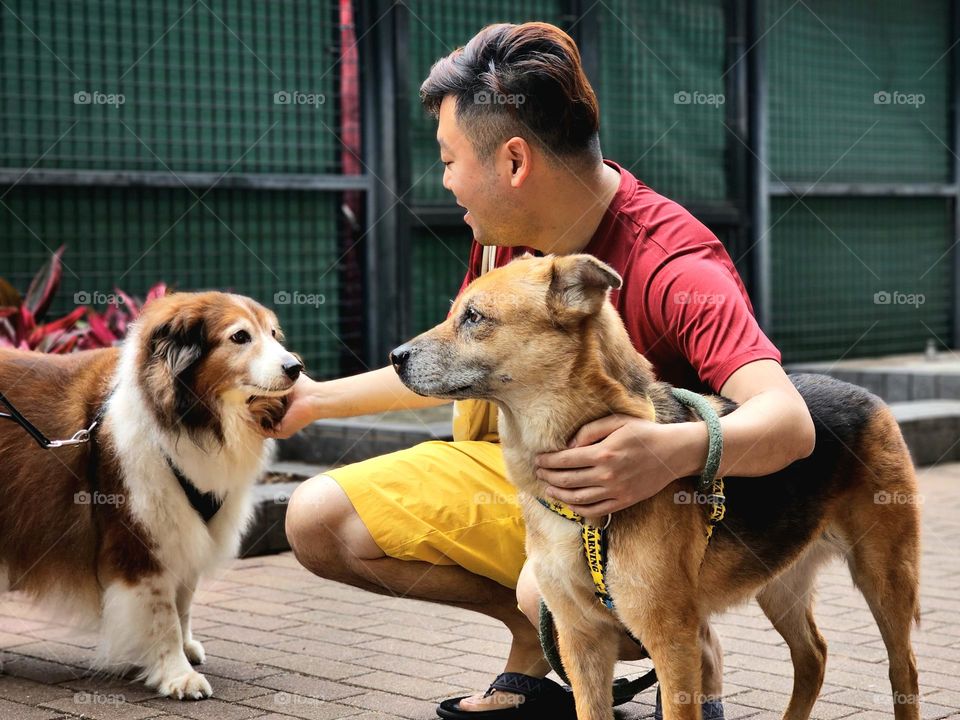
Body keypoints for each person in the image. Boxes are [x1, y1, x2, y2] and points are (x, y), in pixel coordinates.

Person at [275, 22, 815, 720]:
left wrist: (667, 452)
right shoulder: (508, 248)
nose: (442, 180)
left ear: (515, 162)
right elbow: (453, 362)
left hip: (654, 514)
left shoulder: (677, 265)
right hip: (540, 480)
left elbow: (790, 424)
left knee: (548, 584)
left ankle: (683, 649)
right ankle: (542, 640)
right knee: (320, 519)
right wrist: (314, 402)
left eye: (447, 159)